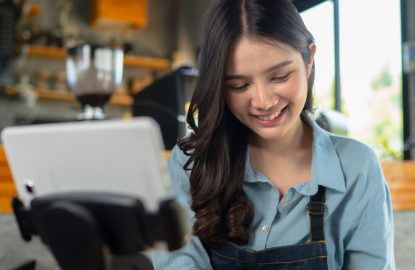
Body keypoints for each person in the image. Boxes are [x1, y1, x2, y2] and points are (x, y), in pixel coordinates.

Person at [152, 0, 395, 269]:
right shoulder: (189, 164)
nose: (263, 101)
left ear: (308, 60)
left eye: (279, 76)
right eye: (240, 85)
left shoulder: (357, 168)